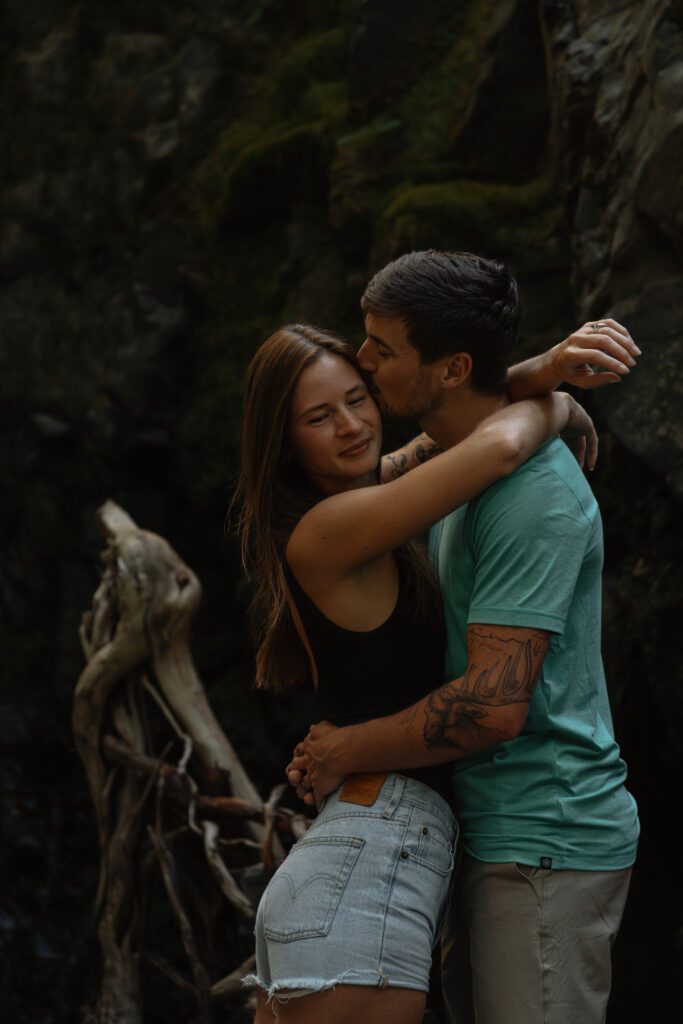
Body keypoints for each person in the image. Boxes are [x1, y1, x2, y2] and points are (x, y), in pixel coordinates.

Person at [235, 296, 635, 1023]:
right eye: (318, 418)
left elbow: (456, 422)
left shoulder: (375, 490)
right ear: (283, 441)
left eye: (357, 398)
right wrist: (557, 399)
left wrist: (539, 378)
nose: (351, 425)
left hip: (389, 844)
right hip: (372, 849)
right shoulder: (332, 528)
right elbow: (494, 447)